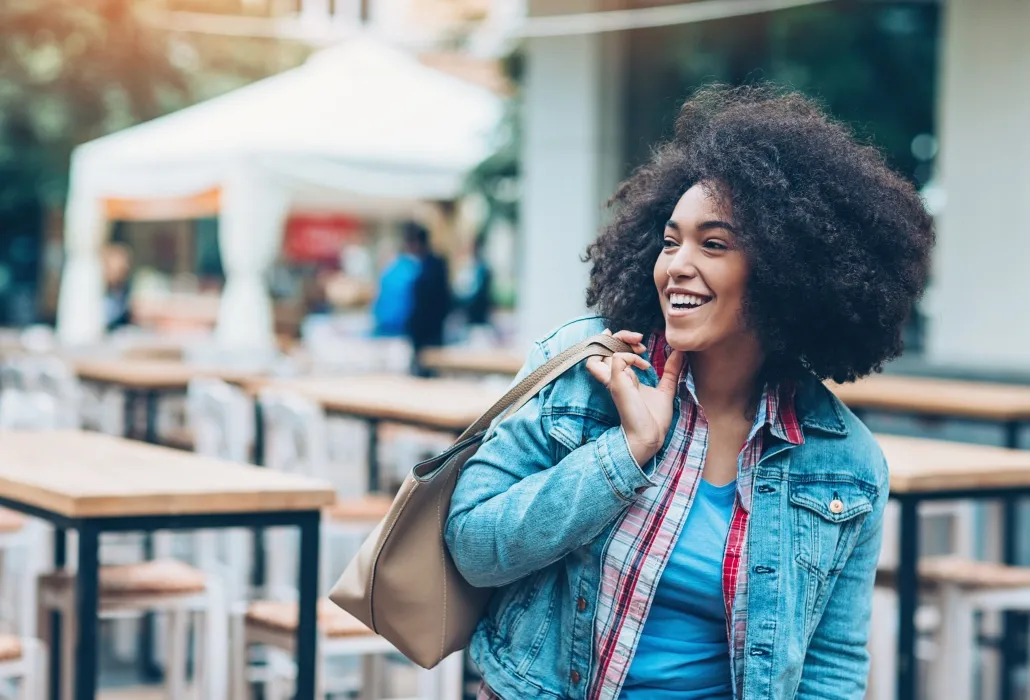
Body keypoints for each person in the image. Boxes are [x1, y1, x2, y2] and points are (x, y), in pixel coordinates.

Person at [445, 85, 933, 700]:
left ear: (788, 271)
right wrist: (622, 456)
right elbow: (472, 547)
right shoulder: (583, 372)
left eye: (715, 244)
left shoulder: (845, 463)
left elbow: (830, 668)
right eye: (671, 240)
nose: (676, 265)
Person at [402, 221, 452, 373]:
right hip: (428, 330)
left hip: (427, 332)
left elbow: (432, 302)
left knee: (426, 370)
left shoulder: (430, 267)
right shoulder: (429, 264)